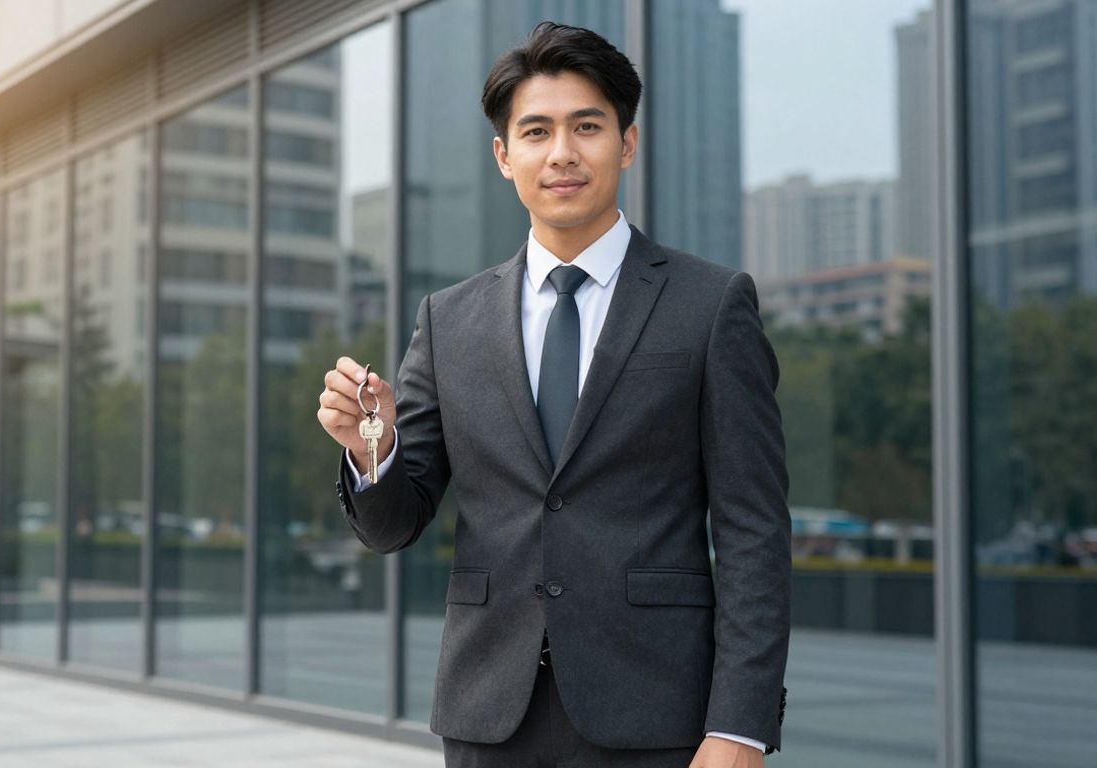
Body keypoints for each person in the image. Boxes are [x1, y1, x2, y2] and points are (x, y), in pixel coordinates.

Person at [317, 21, 789, 768]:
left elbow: (753, 532)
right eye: (536, 131)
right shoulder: (449, 320)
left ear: (626, 144)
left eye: (587, 127)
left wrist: (740, 726)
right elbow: (394, 525)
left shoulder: (711, 304)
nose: (562, 152)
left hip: (657, 716)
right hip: (486, 714)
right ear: (505, 157)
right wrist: (370, 448)